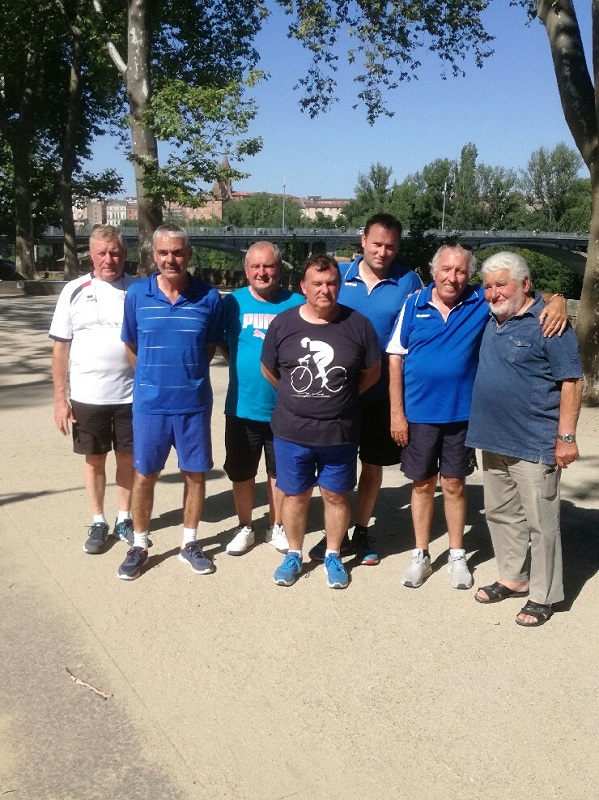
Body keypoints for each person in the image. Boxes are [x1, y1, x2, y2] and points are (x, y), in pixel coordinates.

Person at [387, 244, 568, 590]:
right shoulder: (413, 304)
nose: (452, 278)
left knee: (454, 484)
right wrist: (396, 413)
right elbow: (395, 357)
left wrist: (557, 298)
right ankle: (420, 553)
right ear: (433, 271)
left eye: (460, 271)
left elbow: (521, 294)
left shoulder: (480, 302)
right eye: (446, 270)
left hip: (461, 414)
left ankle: (457, 553)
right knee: (422, 484)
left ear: (468, 276)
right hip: (419, 413)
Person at [466, 251, 582, 627]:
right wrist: (557, 295)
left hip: (535, 442)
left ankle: (544, 595)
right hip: (493, 439)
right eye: (488, 285)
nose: (493, 293)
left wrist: (566, 437)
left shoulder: (550, 324)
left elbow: (572, 381)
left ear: (526, 285)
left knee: (541, 522)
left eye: (502, 284)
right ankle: (513, 577)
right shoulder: (488, 318)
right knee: (501, 514)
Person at [261, 254, 381, 589]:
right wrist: (295, 397)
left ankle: (332, 554)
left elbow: (372, 372)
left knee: (336, 496)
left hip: (339, 432)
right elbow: (270, 370)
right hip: (291, 431)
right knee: (296, 495)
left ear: (339, 286)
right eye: (317, 283)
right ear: (304, 286)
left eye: (331, 283)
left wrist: (341, 398)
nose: (324, 290)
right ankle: (294, 554)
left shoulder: (358, 325)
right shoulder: (283, 324)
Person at [308, 212, 422, 566]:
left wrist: (551, 298)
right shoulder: (339, 277)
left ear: (397, 246)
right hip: (339, 392)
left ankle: (360, 529)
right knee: (337, 464)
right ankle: (335, 535)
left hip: (383, 393)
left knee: (372, 465)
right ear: (363, 241)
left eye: (390, 246)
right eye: (376, 244)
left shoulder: (410, 281)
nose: (382, 252)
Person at [118, 224, 224, 581]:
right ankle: (140, 543)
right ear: (153, 255)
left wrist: (186, 376)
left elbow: (208, 349)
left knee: (195, 473)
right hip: (150, 403)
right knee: (146, 474)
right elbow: (132, 346)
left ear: (189, 254)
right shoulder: (136, 295)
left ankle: (189, 544)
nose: (170, 259)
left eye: (177, 252)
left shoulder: (209, 297)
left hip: (193, 403)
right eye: (163, 253)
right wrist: (152, 379)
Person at [50, 225, 135, 554]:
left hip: (130, 394)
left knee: (128, 458)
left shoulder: (139, 291)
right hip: (88, 395)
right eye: (102, 253)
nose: (109, 259)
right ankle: (98, 520)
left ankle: (124, 517)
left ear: (124, 254)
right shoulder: (73, 290)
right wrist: (60, 399)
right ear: (91, 255)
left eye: (115, 252)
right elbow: (60, 348)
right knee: (95, 459)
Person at [219, 241, 304, 556]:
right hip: (242, 405)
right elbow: (225, 346)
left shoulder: (297, 303)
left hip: (285, 408)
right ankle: (245, 527)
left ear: (279, 268)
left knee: (278, 471)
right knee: (242, 471)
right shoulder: (233, 304)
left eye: (268, 266)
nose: (262, 272)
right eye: (255, 266)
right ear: (246, 270)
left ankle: (276, 525)